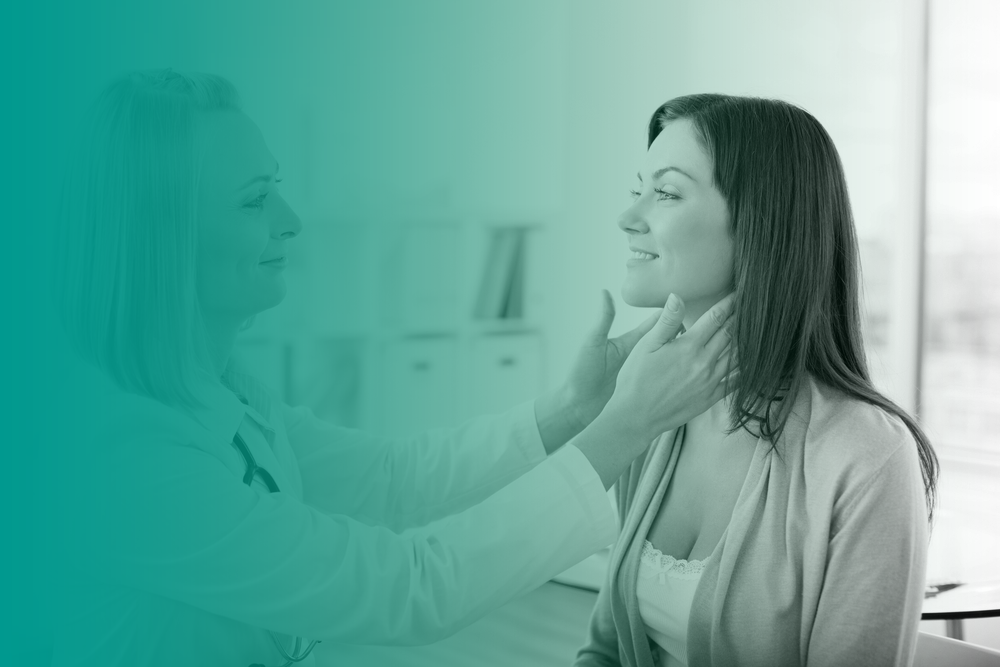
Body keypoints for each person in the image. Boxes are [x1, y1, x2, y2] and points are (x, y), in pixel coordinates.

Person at [44, 71, 737, 667]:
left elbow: (393, 480)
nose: (290, 221)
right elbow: (404, 587)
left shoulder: (215, 383)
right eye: (255, 199)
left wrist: (576, 407)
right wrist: (625, 426)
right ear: (163, 236)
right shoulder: (118, 456)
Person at [574, 94, 940, 667]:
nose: (628, 217)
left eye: (666, 192)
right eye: (636, 188)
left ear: (761, 224)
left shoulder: (867, 457)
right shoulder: (651, 412)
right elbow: (604, 651)